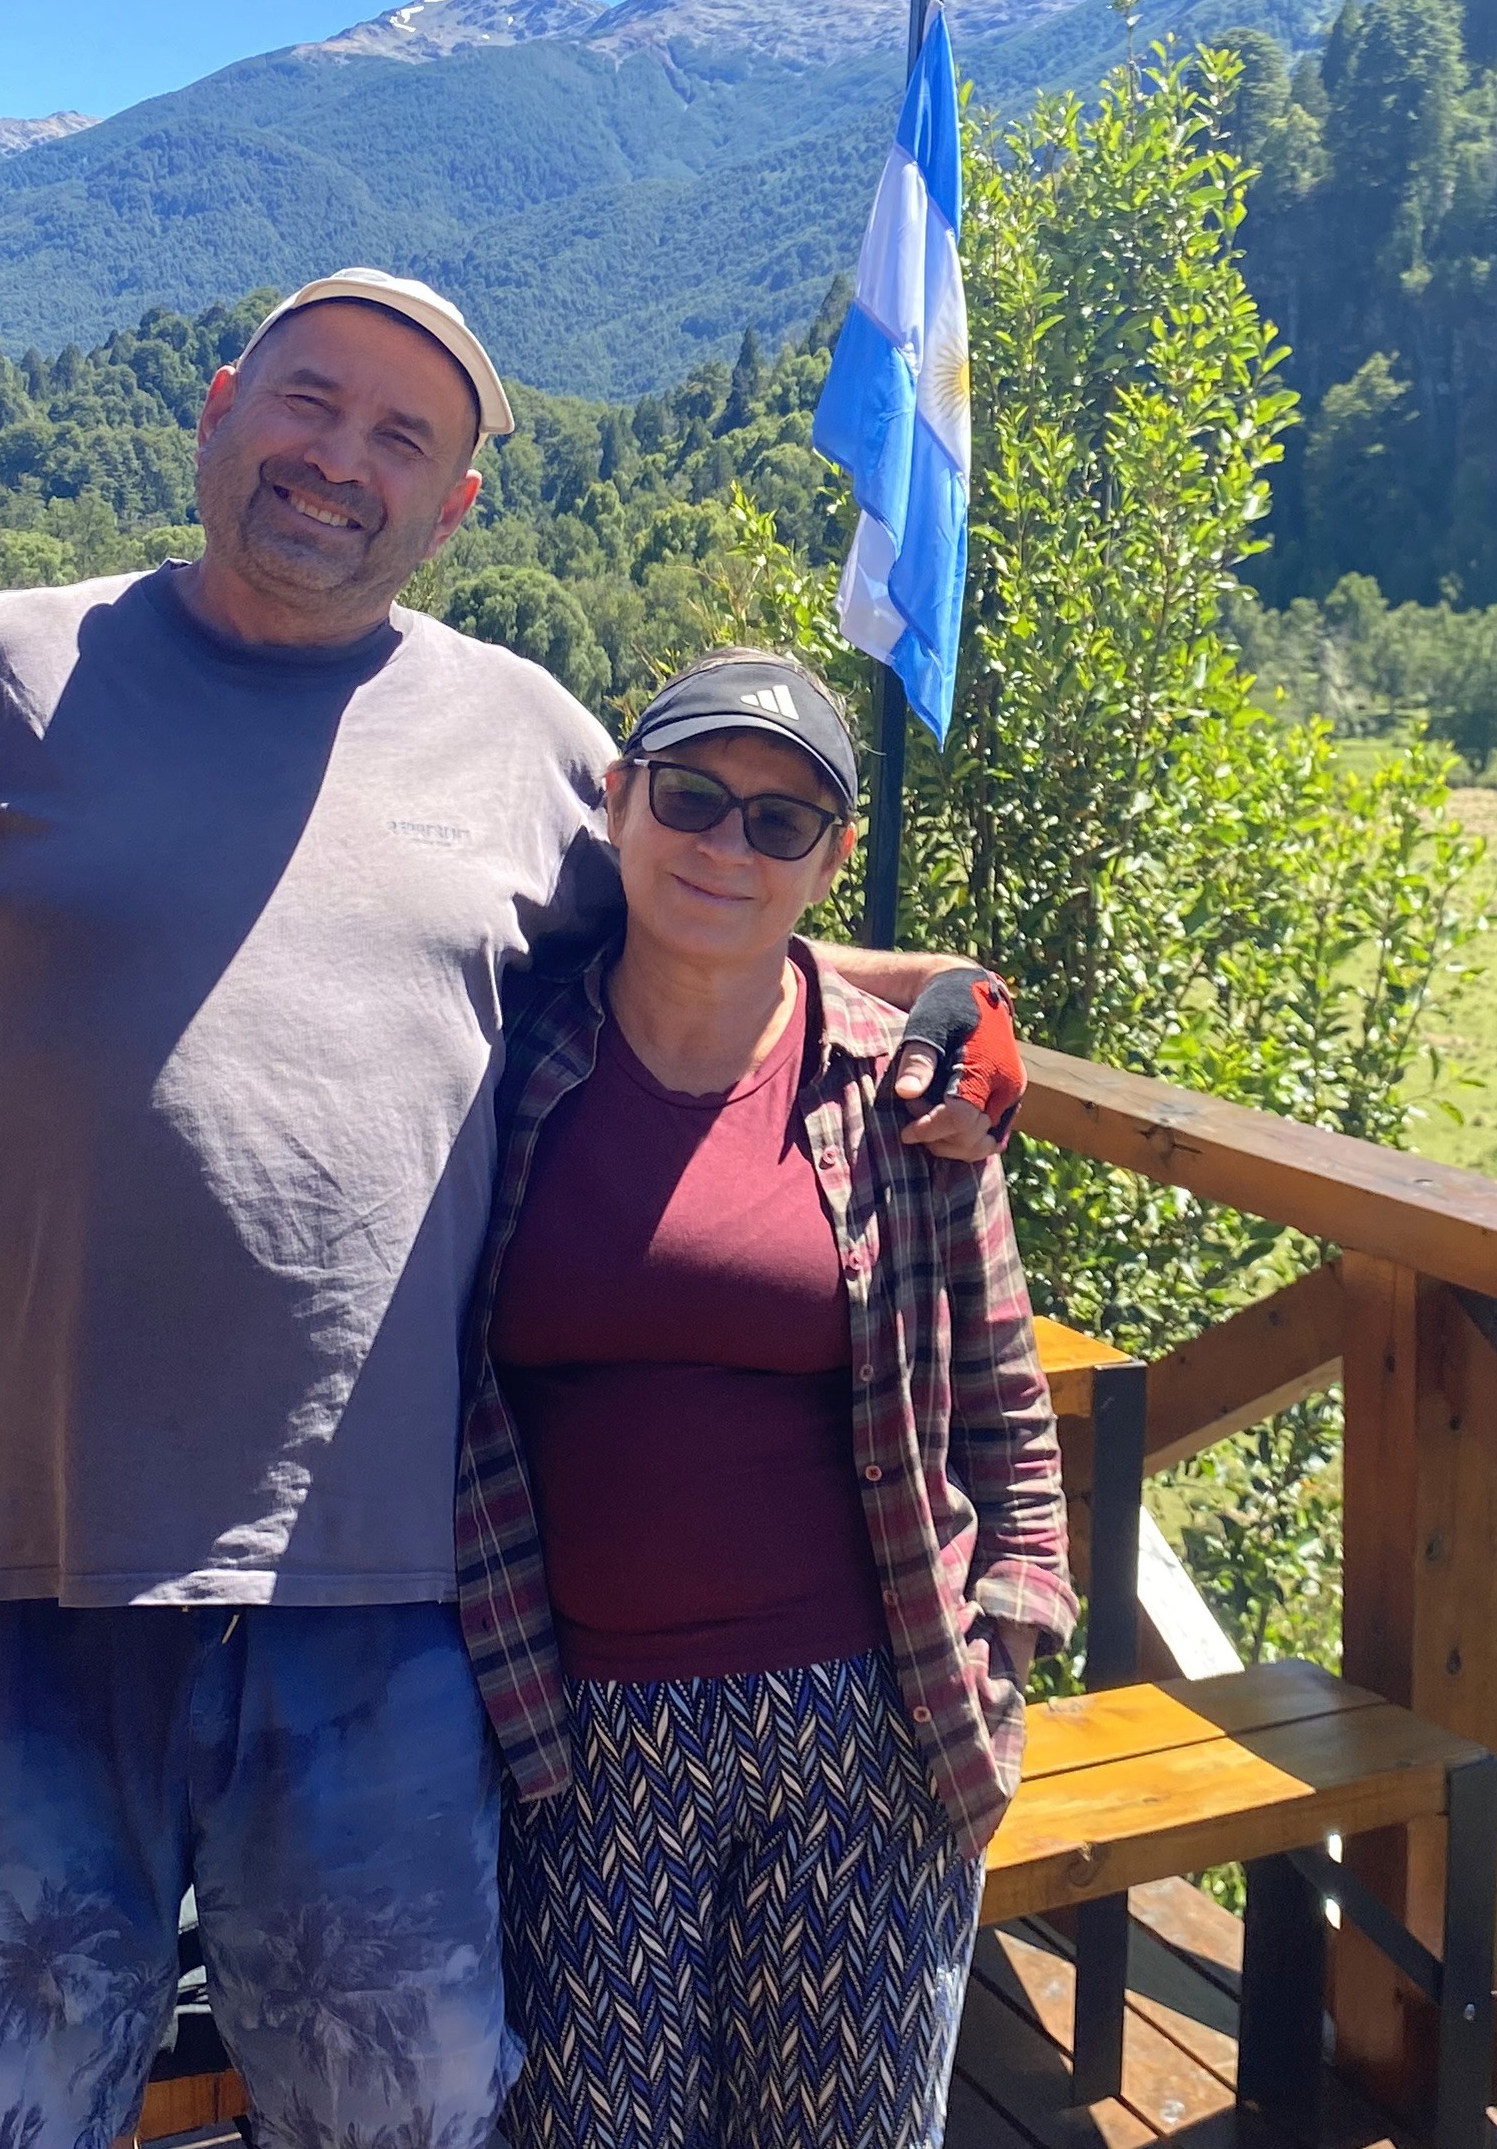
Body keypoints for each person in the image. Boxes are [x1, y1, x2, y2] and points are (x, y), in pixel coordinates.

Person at [0, 269, 1010, 2149]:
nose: (339, 461)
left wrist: (939, 1018)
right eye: (312, 401)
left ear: (454, 505)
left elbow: (716, 926)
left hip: (391, 1602)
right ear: (218, 407)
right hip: (32, 1566)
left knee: (414, 2114)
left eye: (402, 439)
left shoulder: (525, 736)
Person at [456, 649, 1072, 2149]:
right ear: (619, 803)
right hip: (577, 1732)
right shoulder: (500, 1069)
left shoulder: (901, 1096)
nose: (728, 848)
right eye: (693, 799)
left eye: (781, 824)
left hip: (870, 1717)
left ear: (831, 861)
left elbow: (1002, 1394)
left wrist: (1010, 1639)